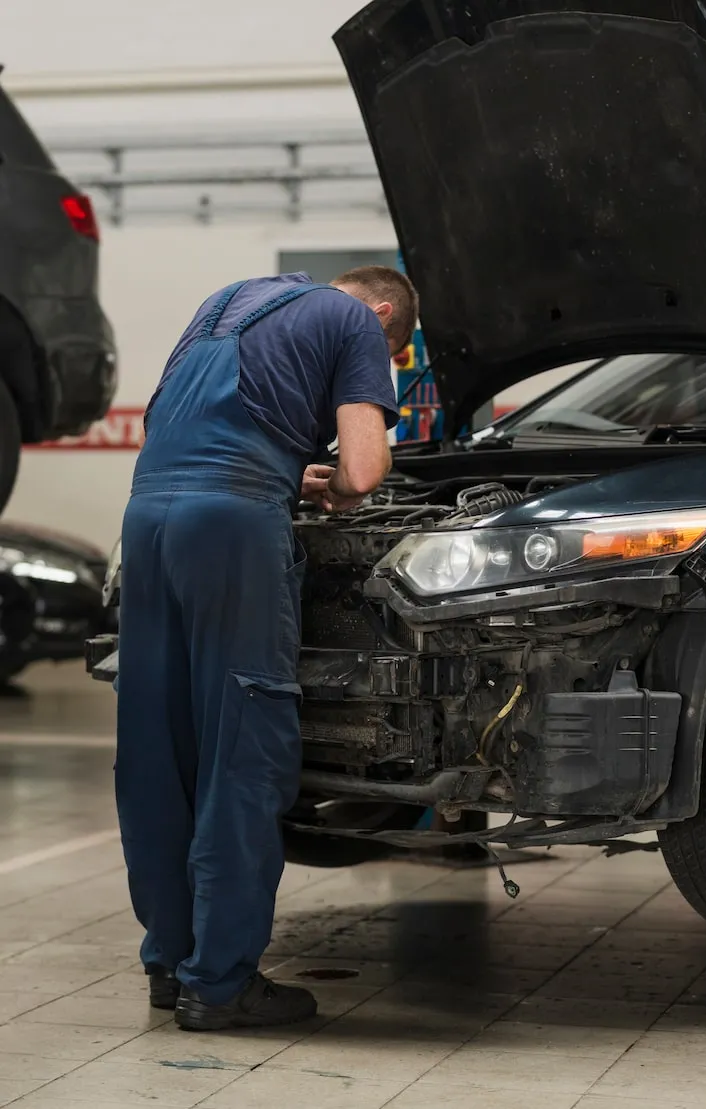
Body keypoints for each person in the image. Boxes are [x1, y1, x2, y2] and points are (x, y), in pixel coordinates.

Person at [115, 266, 419, 1033]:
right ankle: (220, 984)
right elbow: (365, 467)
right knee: (243, 745)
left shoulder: (223, 303)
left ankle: (169, 961)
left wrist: (290, 469)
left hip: (149, 516)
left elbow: (175, 430)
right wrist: (333, 489)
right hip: (230, 526)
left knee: (160, 743)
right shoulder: (355, 324)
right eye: (394, 351)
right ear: (384, 314)